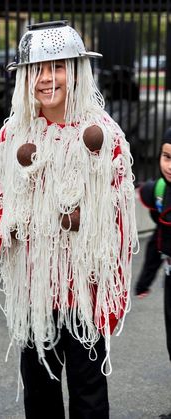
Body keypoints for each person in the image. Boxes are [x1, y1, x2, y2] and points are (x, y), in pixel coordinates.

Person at [0, 21, 137, 419]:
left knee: (89, 391)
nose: (46, 79)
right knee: (39, 390)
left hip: (85, 291)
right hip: (34, 288)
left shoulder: (104, 134)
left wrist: (114, 293)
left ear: (76, 71)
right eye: (37, 69)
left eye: (57, 66)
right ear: (25, 77)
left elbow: (121, 225)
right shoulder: (12, 136)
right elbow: (3, 206)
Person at [135, 127, 171, 419]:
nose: (169, 165)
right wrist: (145, 280)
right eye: (166, 156)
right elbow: (158, 241)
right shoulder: (159, 191)